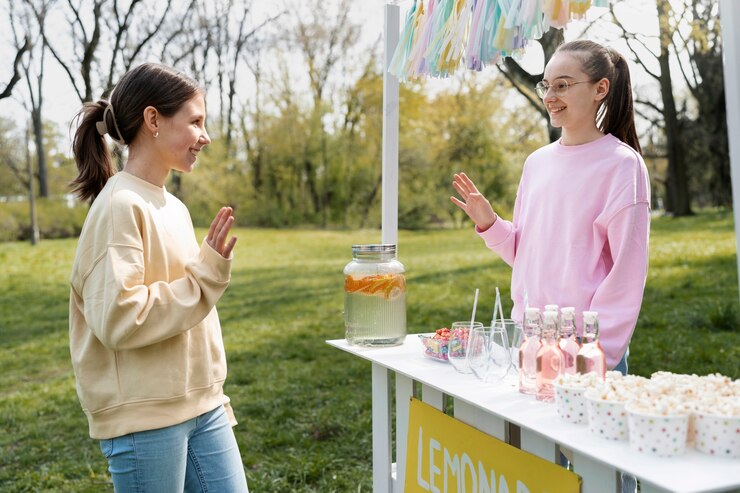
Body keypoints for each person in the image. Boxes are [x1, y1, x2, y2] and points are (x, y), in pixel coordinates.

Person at [68, 63, 248, 492]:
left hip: (203, 405)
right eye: (196, 121)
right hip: (145, 420)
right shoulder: (119, 206)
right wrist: (205, 278)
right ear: (153, 120)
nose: (204, 136)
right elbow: (119, 317)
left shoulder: (173, 207)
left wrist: (205, 276)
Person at [451, 40, 650, 375]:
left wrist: (593, 356)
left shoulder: (622, 165)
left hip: (587, 357)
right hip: (530, 344)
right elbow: (529, 257)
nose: (549, 97)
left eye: (563, 85)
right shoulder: (537, 163)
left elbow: (627, 275)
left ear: (601, 88)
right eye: (546, 85)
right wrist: (490, 224)